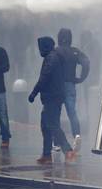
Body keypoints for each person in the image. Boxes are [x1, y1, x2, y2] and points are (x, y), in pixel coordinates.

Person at [28, 36, 75, 164]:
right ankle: (47, 154)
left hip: (52, 97)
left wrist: (34, 93)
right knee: (45, 125)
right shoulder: (54, 57)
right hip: (54, 96)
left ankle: (68, 150)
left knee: (52, 125)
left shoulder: (51, 59)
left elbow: (44, 78)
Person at [56, 28, 89, 152]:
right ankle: (77, 135)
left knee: (56, 114)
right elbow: (86, 63)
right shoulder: (75, 52)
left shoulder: (56, 51)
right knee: (72, 113)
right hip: (70, 84)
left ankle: (57, 142)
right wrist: (81, 78)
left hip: (57, 86)